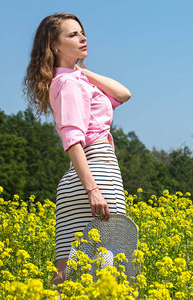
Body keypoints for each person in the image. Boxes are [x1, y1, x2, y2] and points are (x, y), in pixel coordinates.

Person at [22, 12, 131, 296]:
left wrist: (81, 70)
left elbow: (123, 94)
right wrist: (93, 189)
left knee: (66, 275)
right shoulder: (69, 84)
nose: (82, 38)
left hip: (80, 180)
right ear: (54, 45)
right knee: (109, 270)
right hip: (97, 172)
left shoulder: (73, 80)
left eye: (82, 33)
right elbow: (72, 139)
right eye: (72, 35)